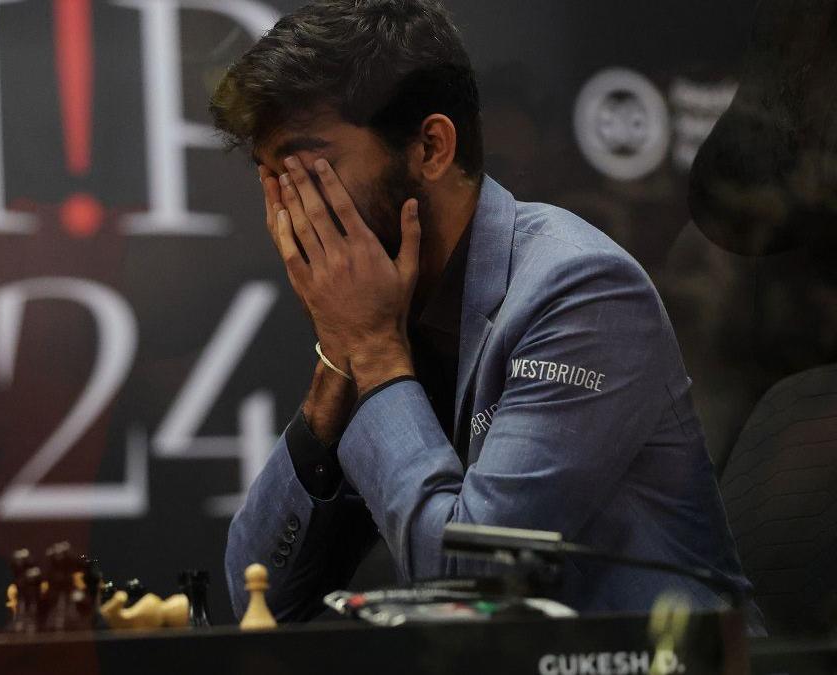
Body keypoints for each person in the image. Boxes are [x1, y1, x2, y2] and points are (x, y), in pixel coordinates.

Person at [210, 0, 763, 632]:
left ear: (431, 147)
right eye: (270, 178)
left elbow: (470, 589)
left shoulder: (579, 289)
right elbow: (260, 600)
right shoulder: (387, 310)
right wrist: (338, 365)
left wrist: (371, 350)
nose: (292, 212)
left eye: (310, 167)